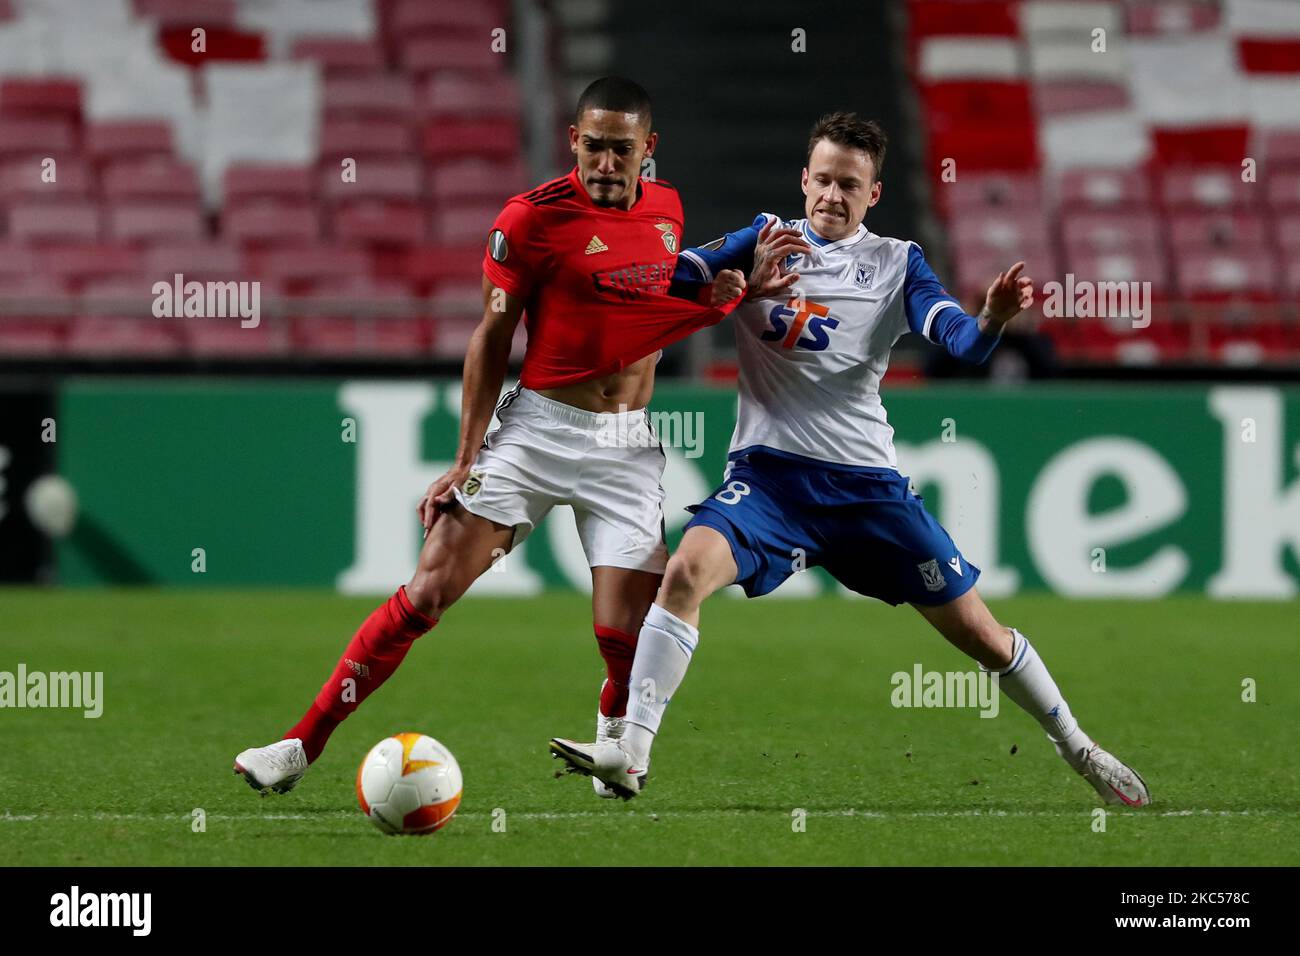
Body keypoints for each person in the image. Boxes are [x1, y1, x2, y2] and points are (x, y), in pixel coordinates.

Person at [549, 112, 1151, 807]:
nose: (833, 195)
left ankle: (1077, 746)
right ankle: (631, 755)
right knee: (683, 572)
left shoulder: (898, 263)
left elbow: (960, 343)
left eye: (850, 185)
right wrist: (727, 283)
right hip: (769, 481)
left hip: (868, 492)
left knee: (982, 636)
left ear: (874, 194)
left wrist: (990, 319)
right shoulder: (764, 239)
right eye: (824, 180)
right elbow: (673, 279)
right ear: (804, 180)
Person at [234, 76, 743, 798]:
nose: (604, 162)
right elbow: (491, 336)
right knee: (428, 591)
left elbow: (644, 300)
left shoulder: (668, 211)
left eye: (620, 150)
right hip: (537, 432)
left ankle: (613, 740)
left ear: (647, 151)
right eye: (592, 146)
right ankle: (297, 745)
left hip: (625, 447)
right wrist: (466, 457)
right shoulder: (528, 221)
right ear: (573, 141)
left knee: (626, 642)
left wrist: (708, 298)